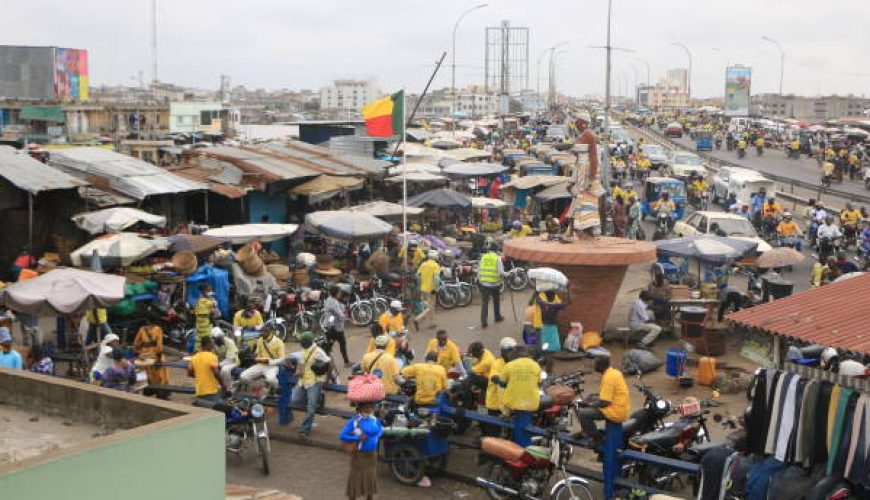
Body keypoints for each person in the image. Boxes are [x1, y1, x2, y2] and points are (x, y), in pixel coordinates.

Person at [491, 348, 541, 446]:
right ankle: (524, 445)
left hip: (512, 403)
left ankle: (518, 447)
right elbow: (539, 384)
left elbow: (502, 384)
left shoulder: (509, 366)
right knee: (525, 425)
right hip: (531, 403)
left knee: (519, 428)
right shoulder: (536, 365)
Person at [576, 355, 629, 447]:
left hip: (616, 411)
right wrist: (591, 398)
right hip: (618, 405)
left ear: (601, 366)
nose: (593, 366)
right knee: (590, 398)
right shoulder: (613, 372)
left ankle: (598, 439)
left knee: (583, 414)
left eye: (595, 364)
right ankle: (586, 431)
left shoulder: (608, 378)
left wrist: (589, 404)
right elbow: (605, 395)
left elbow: (604, 402)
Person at [289, 331, 330, 436]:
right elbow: (302, 364)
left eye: (301, 341)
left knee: (311, 407)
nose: (300, 343)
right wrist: (297, 373)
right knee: (295, 399)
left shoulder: (318, 351)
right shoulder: (304, 350)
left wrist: (326, 382)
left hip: (314, 382)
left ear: (307, 342)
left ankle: (305, 429)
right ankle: (318, 398)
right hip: (303, 381)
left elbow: (329, 364)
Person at [341, 401, 383, 500]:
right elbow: (343, 435)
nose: (370, 408)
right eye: (367, 406)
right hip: (359, 456)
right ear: (360, 408)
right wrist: (357, 438)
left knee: (370, 479)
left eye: (371, 406)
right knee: (355, 481)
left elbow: (380, 429)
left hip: (372, 455)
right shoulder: (355, 421)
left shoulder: (374, 419)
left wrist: (376, 436)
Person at [239, 324, 286, 390]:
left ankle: (276, 388)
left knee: (271, 379)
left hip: (272, 366)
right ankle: (258, 386)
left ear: (270, 332)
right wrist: (253, 356)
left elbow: (282, 359)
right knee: (243, 376)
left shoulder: (279, 342)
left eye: (265, 331)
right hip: (260, 365)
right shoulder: (259, 340)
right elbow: (257, 353)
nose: (262, 333)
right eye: (261, 331)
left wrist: (269, 361)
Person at [187, 336, 226, 403]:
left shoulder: (194, 358)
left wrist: (201, 374)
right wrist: (223, 384)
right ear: (208, 344)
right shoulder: (212, 356)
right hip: (211, 391)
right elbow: (216, 372)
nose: (213, 346)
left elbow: (189, 374)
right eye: (212, 344)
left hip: (199, 392)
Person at [133, 321, 170, 389]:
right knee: (160, 373)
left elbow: (136, 343)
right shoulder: (158, 329)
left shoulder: (142, 329)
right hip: (154, 354)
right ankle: (161, 390)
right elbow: (159, 346)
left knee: (145, 372)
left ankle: (147, 389)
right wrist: (159, 358)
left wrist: (138, 353)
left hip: (144, 354)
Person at [478, 243, 505, 328]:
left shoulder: (483, 257)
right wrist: (507, 275)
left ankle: (483, 321)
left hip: (484, 283)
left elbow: (479, 270)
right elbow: (501, 272)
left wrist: (480, 280)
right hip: (495, 283)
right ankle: (497, 317)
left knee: (485, 302)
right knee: (496, 301)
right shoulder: (498, 258)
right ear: (497, 250)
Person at [323, 285, 351, 367]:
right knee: (341, 344)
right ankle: (346, 362)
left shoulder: (329, 299)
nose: (340, 293)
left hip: (329, 326)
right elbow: (340, 314)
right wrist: (350, 320)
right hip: (335, 327)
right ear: (336, 293)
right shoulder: (333, 302)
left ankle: (325, 363)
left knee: (329, 346)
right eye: (339, 292)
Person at [415, 250, 441, 330]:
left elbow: (417, 276)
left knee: (429, 306)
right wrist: (436, 288)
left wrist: (420, 284)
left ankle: (431, 323)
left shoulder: (423, 264)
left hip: (423, 288)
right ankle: (417, 319)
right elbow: (436, 279)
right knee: (429, 308)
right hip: (431, 289)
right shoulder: (436, 265)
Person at [193, 284, 219, 352]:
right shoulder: (205, 301)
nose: (210, 292)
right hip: (205, 325)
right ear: (204, 291)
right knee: (207, 340)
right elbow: (215, 305)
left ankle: (198, 353)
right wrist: (212, 299)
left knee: (199, 341)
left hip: (200, 325)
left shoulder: (199, 300)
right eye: (209, 290)